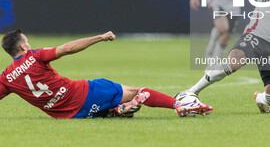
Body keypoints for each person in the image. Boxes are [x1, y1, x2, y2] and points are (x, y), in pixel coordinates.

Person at [0, 30, 213, 119]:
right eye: (27, 41)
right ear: (23, 46)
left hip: (68, 114)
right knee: (138, 91)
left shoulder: (6, 78)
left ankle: (116, 110)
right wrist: (99, 37)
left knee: (117, 104)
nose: (30, 43)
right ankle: (181, 105)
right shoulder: (35, 56)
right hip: (81, 94)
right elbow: (67, 48)